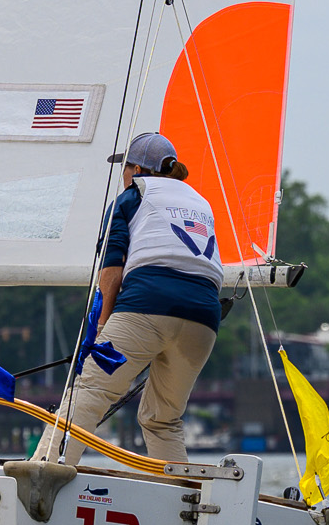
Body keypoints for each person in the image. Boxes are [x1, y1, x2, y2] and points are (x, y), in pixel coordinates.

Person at [36, 132, 223, 465]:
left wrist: (104, 324)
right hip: (204, 320)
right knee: (163, 419)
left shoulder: (131, 197)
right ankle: (182, 495)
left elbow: (112, 270)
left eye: (124, 168)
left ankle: (42, 474)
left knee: (91, 392)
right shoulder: (200, 201)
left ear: (137, 169)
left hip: (145, 308)